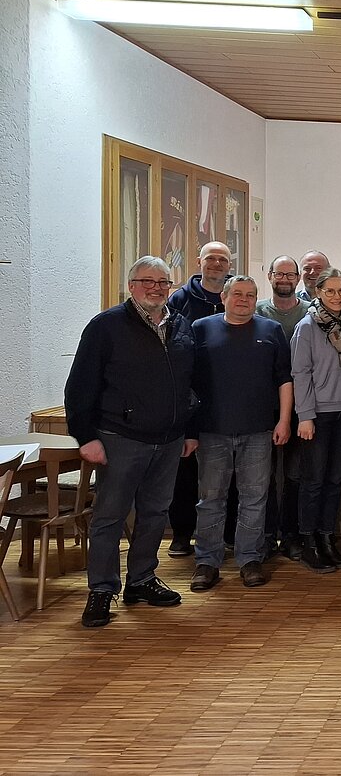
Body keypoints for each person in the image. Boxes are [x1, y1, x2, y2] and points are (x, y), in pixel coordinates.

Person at [66, 256, 196, 628]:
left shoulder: (181, 325)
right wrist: (86, 437)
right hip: (120, 438)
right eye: (147, 281)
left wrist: (189, 429)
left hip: (169, 439)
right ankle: (102, 589)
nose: (156, 288)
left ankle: (141, 579)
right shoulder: (106, 326)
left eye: (163, 282)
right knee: (109, 516)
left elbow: (189, 382)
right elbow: (79, 386)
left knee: (155, 513)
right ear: (131, 285)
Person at [189, 276, 293, 592]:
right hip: (212, 430)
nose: (244, 300)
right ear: (224, 297)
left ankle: (250, 559)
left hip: (258, 430)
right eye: (237, 294)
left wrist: (284, 420)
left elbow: (284, 380)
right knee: (211, 499)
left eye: (250, 295)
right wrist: (189, 429)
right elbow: (188, 382)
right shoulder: (200, 329)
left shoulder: (271, 330)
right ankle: (207, 562)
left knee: (255, 498)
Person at [165, 240, 231, 557]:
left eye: (223, 259)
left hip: (225, 399)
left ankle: (228, 533)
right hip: (189, 397)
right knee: (185, 470)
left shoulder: (235, 295)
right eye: (211, 258)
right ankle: (181, 533)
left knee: (227, 473)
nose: (216, 264)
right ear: (199, 262)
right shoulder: (179, 299)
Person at [290, 268, 341, 574]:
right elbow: (300, 373)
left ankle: (327, 538)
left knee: (334, 481)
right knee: (313, 481)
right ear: (318, 292)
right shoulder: (307, 326)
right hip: (317, 414)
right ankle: (309, 543)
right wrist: (305, 416)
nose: (336, 296)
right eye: (330, 291)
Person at [255, 255, 307, 560]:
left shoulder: (309, 312)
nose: (285, 279)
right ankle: (264, 536)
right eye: (279, 274)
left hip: (302, 407)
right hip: (263, 406)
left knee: (294, 475)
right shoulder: (257, 311)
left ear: (298, 278)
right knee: (262, 477)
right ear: (270, 276)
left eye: (290, 274)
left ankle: (291, 536)